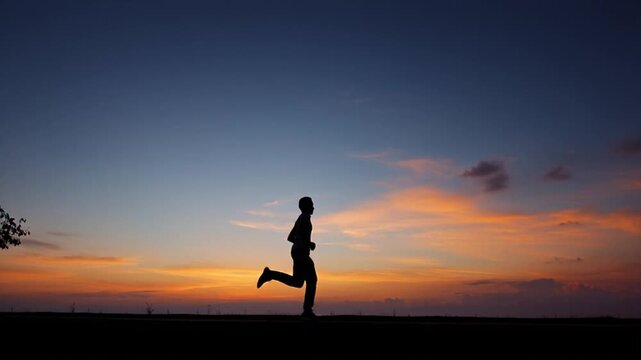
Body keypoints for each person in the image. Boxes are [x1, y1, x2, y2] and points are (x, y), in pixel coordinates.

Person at [257, 196, 318, 318]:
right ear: (306, 206)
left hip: (297, 251)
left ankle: (270, 274)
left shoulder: (300, 219)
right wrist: (309, 244)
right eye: (311, 204)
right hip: (301, 252)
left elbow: (290, 238)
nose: (313, 207)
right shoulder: (305, 218)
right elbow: (302, 238)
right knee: (311, 280)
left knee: (298, 282)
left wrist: (302, 242)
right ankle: (307, 310)